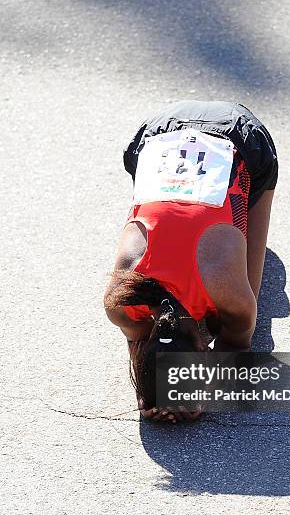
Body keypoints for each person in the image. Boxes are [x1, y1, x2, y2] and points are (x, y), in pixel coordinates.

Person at [104, 100, 278, 423]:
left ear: (202, 346)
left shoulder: (225, 287)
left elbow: (237, 347)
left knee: (243, 308)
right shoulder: (120, 301)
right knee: (224, 314)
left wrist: (203, 390)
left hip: (238, 136)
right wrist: (155, 390)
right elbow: (141, 345)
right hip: (156, 130)